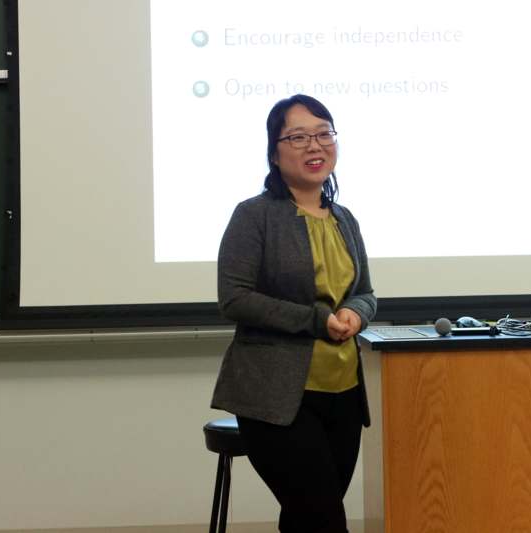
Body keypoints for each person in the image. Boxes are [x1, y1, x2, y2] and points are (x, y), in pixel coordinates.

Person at [211, 94, 377, 533]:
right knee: (323, 518)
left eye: (324, 134)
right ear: (273, 151)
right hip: (276, 397)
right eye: (299, 136)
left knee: (307, 518)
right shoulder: (254, 217)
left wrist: (356, 315)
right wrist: (318, 320)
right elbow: (235, 298)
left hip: (343, 392)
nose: (314, 146)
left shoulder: (344, 219)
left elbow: (365, 293)